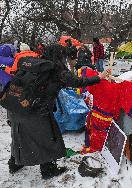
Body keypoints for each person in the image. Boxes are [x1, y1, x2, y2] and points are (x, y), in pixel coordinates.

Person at [7, 44, 111, 179]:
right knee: (49, 138)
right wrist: (100, 77)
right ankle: (49, 170)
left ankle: (14, 163)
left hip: (16, 107)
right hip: (37, 110)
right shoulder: (56, 70)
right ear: (60, 56)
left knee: (19, 136)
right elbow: (79, 82)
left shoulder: (33, 64)